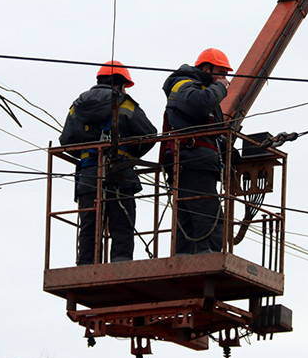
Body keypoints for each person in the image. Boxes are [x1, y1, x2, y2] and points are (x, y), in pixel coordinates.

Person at [60, 61, 157, 265]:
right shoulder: (124, 103)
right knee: (122, 225)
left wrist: (88, 154)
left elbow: (66, 141)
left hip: (89, 175)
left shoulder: (77, 106)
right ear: (120, 83)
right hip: (120, 173)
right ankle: (121, 264)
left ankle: (86, 266)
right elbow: (149, 134)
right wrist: (130, 154)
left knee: (89, 225)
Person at [161, 48, 232, 255]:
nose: (224, 79)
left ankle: (186, 256)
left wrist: (230, 151)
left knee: (190, 213)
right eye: (221, 73)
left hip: (196, 160)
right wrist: (219, 87)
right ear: (206, 68)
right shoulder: (184, 85)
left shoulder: (201, 90)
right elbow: (199, 105)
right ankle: (207, 255)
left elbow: (211, 131)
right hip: (193, 160)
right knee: (207, 214)